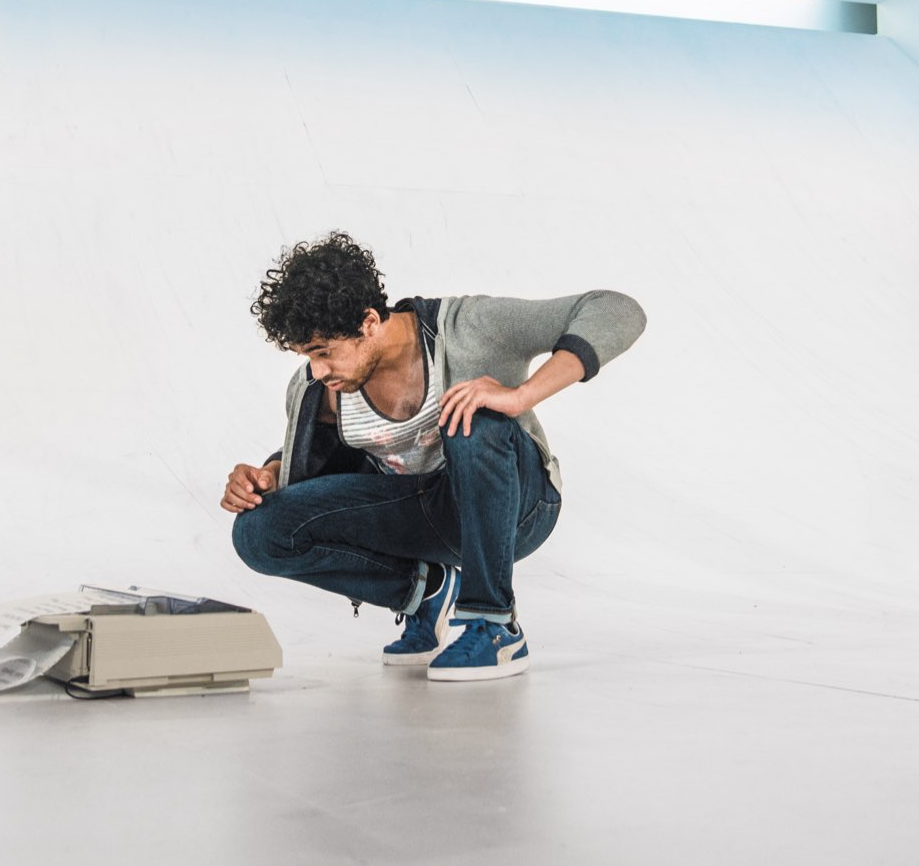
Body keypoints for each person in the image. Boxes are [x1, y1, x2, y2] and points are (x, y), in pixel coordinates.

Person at [223, 232, 646, 680]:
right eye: (307, 355)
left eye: (325, 352)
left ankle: (495, 625)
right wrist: (268, 475)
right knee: (259, 530)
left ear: (368, 322)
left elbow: (617, 309)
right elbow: (318, 471)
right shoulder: (317, 389)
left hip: (517, 509)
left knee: (472, 419)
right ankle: (425, 591)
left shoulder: (471, 327)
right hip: (424, 515)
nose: (317, 370)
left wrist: (521, 396)